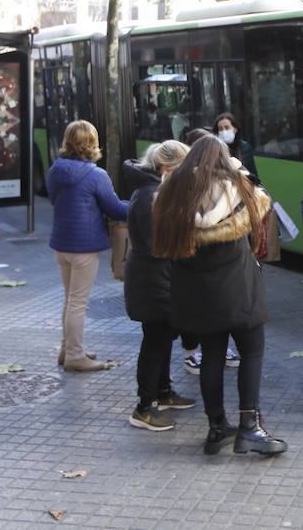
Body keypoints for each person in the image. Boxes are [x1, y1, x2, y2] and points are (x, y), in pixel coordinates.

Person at [154, 136, 285, 455]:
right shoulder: (236, 187)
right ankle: (249, 428)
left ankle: (216, 427)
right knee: (251, 352)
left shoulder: (172, 193)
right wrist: (239, 170)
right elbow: (263, 200)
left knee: (212, 356)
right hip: (239, 290)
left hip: (198, 295)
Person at [123, 140, 196, 431]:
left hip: (158, 278)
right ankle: (145, 407)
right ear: (166, 168)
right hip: (152, 280)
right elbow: (160, 244)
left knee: (163, 338)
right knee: (154, 341)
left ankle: (163, 392)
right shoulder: (149, 196)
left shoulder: (154, 192)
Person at [48, 120, 128, 372]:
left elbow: (54, 199)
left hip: (61, 244)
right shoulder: (96, 175)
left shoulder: (55, 170)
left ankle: (67, 348)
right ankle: (74, 355)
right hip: (84, 246)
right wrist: (140, 203)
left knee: (70, 299)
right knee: (78, 302)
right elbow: (114, 208)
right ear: (91, 143)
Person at [176, 127, 237, 376]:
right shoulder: (183, 182)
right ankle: (193, 352)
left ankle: (216, 349)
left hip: (213, 261)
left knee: (214, 304)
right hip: (192, 258)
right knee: (196, 304)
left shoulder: (222, 180)